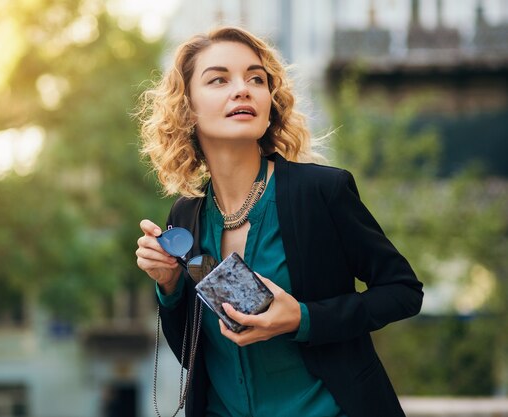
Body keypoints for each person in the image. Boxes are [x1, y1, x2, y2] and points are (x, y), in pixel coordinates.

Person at [135, 26, 423, 417]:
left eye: (256, 79)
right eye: (219, 79)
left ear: (270, 101)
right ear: (186, 108)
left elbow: (403, 291)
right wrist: (168, 286)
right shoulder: (187, 215)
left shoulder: (322, 192)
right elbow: (193, 355)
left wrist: (302, 318)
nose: (244, 89)